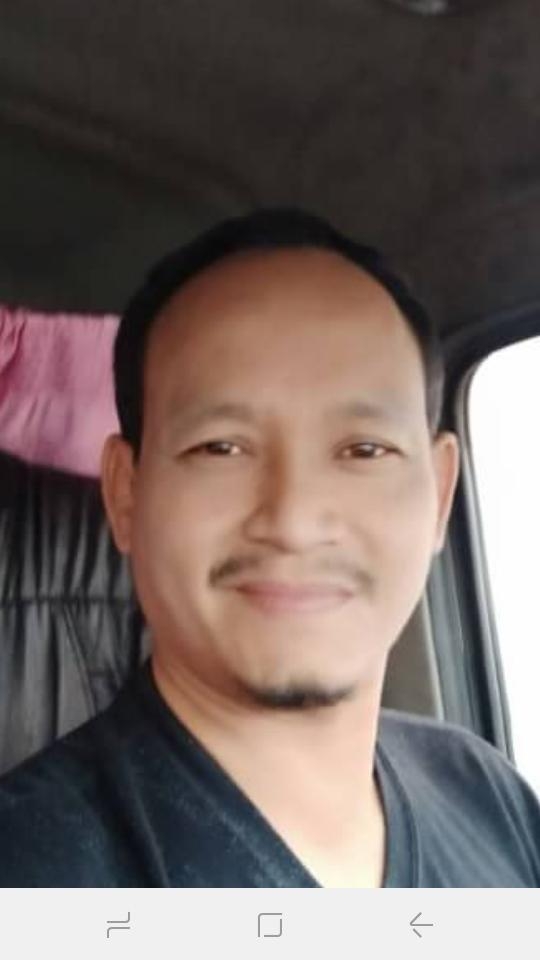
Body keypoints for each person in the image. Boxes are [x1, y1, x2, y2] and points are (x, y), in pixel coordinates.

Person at [0, 208, 539, 888]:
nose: (293, 520)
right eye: (220, 448)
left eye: (364, 449)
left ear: (438, 494)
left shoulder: (491, 797)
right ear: (125, 493)